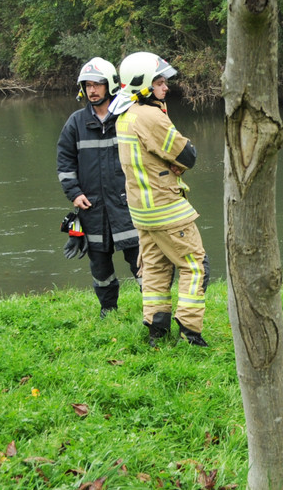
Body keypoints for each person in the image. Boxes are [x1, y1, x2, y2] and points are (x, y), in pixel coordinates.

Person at [112, 51, 209, 347]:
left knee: (155, 268)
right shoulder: (150, 116)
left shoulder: (125, 114)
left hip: (142, 212)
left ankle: (157, 330)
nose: (166, 87)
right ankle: (190, 331)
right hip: (167, 208)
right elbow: (187, 155)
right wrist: (178, 161)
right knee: (196, 266)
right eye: (159, 82)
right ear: (143, 85)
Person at [56, 57, 140, 319]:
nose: (92, 90)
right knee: (100, 266)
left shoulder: (128, 116)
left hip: (128, 205)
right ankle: (108, 310)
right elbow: (64, 162)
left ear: (111, 85)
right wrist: (75, 193)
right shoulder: (76, 123)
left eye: (97, 85)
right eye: (88, 85)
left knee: (141, 260)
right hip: (91, 207)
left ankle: (155, 311)